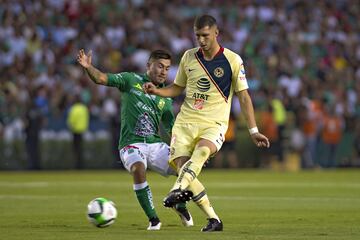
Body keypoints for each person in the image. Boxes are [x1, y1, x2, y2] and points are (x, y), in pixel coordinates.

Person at [143, 15, 270, 232]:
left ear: (216, 33)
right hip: (185, 122)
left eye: (205, 35)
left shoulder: (232, 60)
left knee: (201, 153)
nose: (201, 40)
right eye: (197, 36)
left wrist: (253, 130)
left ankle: (176, 190)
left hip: (214, 123)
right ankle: (214, 220)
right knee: (184, 169)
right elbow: (176, 88)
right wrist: (158, 91)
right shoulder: (188, 57)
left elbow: (244, 97)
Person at [77, 49, 193, 230]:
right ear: (149, 66)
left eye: (167, 68)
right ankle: (154, 219)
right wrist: (88, 66)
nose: (164, 71)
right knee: (139, 168)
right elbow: (101, 78)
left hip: (155, 145)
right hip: (131, 144)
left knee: (186, 168)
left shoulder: (166, 97)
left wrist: (184, 148)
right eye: (160, 66)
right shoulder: (130, 80)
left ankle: (179, 203)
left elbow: (172, 128)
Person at [67, 95, 89, 169]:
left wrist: (71, 127)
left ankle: (76, 165)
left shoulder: (73, 109)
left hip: (75, 131)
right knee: (81, 149)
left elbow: (71, 121)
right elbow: (87, 119)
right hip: (82, 130)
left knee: (75, 149)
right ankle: (82, 165)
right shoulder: (84, 108)